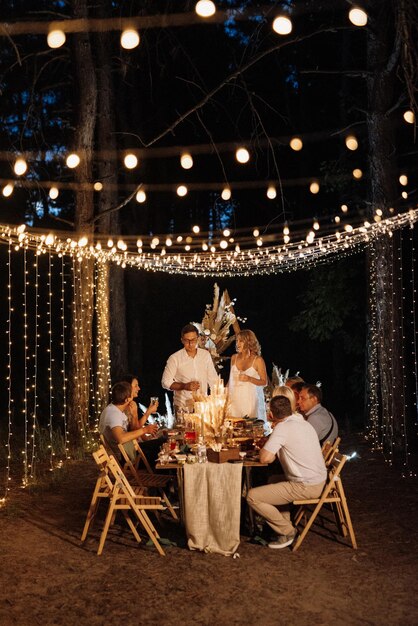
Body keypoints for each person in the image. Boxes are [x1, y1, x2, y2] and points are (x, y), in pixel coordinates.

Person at [247, 396, 327, 549]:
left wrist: (268, 444)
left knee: (252, 496)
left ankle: (288, 531)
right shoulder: (302, 422)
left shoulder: (282, 428)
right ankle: (284, 526)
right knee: (273, 480)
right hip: (318, 480)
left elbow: (265, 459)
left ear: (271, 414)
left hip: (306, 486)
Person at [161, 323, 219, 412]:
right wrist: (184, 386)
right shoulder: (174, 358)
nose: (190, 343)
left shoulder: (205, 355)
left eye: (193, 340)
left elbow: (213, 380)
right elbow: (165, 382)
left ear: (198, 339)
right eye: (187, 340)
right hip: (182, 407)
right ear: (182, 340)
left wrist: (217, 400)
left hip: (202, 407)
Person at [98, 381, 158, 458]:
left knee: (161, 442)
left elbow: (132, 430)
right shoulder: (113, 413)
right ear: (126, 400)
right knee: (160, 448)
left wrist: (135, 414)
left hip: (130, 450)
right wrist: (145, 430)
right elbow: (121, 438)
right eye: (131, 393)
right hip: (125, 457)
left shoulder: (118, 409)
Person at [121, 374, 167, 468]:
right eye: (136, 386)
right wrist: (148, 413)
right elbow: (135, 429)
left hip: (137, 445)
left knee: (164, 438)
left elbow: (137, 426)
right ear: (127, 388)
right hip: (135, 451)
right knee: (164, 442)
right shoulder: (128, 406)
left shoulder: (132, 404)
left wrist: (148, 412)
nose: (139, 388)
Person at [228, 329, 267, 424]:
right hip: (235, 401)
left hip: (251, 401)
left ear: (249, 342)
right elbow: (230, 381)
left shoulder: (258, 360)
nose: (237, 343)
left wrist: (249, 379)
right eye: (237, 341)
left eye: (241, 341)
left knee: (252, 430)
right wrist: (222, 393)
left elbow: (264, 382)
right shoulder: (234, 358)